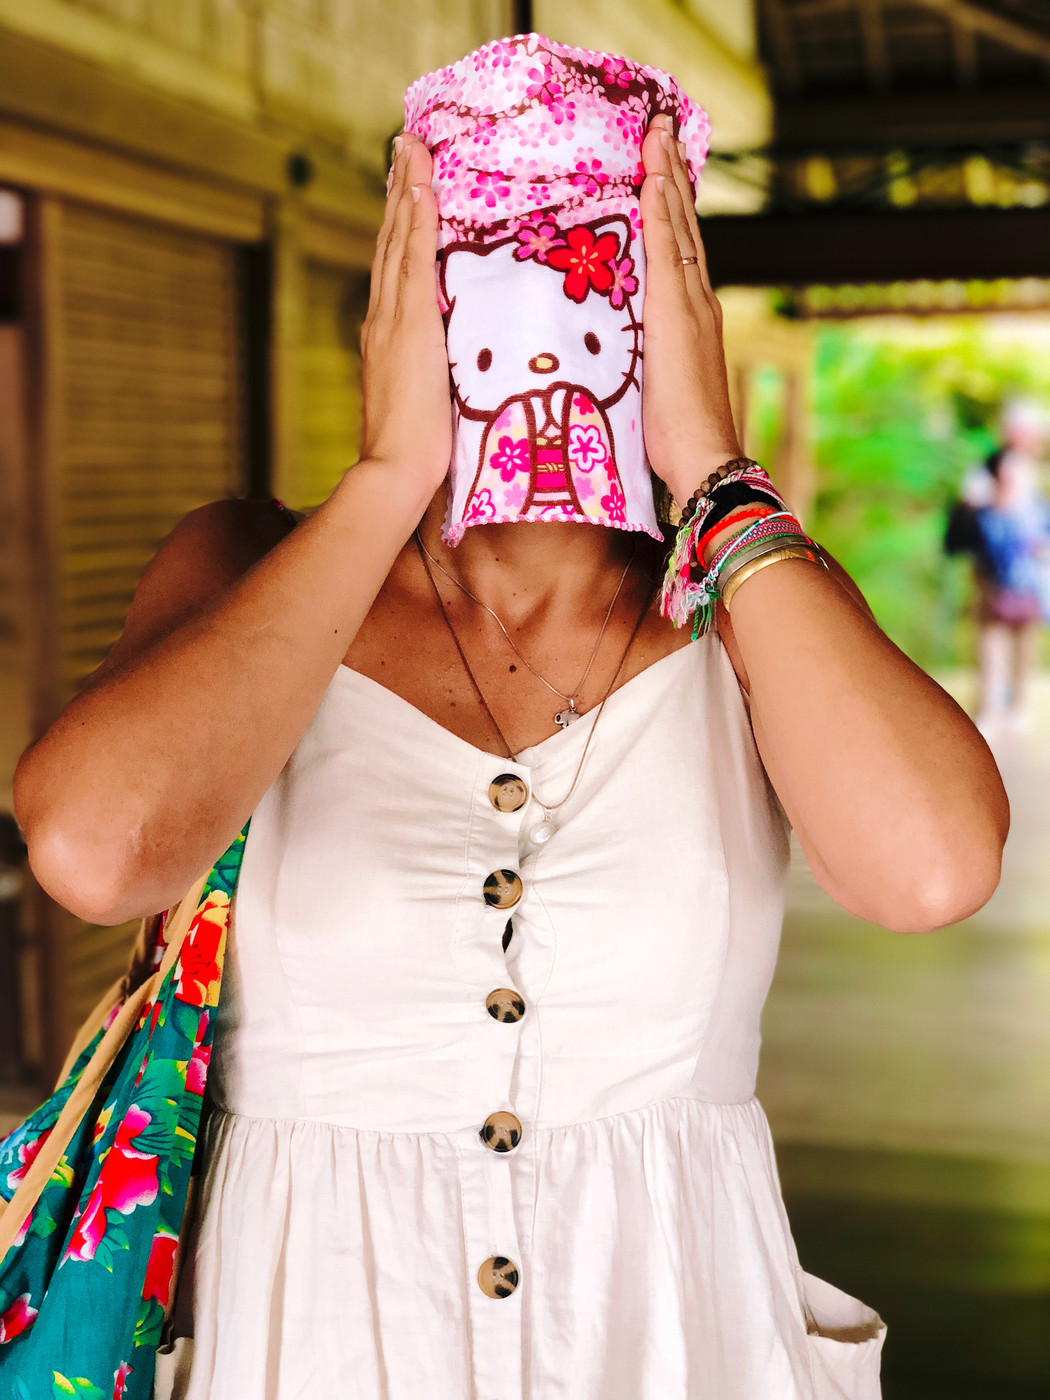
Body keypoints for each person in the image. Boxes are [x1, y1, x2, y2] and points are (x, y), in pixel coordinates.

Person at [13, 56, 1008, 1400]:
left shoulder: (750, 608)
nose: (536, 323)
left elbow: (931, 871)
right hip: (307, 1336)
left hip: (668, 1331)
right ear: (401, 285)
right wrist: (385, 479)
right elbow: (92, 849)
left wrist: (713, 471)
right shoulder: (249, 568)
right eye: (479, 262)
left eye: (589, 260)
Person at [958, 403, 1050, 736]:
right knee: (991, 635)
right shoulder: (987, 467)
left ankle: (1017, 706)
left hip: (1031, 570)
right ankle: (990, 708)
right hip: (993, 568)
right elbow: (971, 506)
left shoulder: (1037, 470)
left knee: (1026, 636)